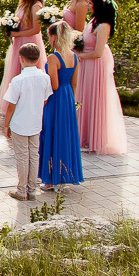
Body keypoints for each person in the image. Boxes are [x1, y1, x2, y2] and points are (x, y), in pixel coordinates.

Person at [76, 0, 129, 156]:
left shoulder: (104, 25)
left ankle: (94, 138)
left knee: (93, 97)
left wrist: (79, 56)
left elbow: (98, 53)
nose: (88, 5)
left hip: (95, 65)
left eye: (91, 3)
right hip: (87, 63)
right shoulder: (94, 21)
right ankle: (83, 135)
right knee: (84, 97)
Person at [39, 20, 85, 191]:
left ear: (54, 37)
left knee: (51, 134)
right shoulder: (74, 56)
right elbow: (74, 83)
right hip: (68, 98)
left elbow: (55, 85)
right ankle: (63, 177)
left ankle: (51, 180)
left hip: (55, 99)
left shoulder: (53, 58)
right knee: (65, 135)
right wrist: (71, 101)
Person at [1, 43, 51, 201]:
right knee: (34, 155)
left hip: (19, 123)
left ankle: (22, 190)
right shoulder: (45, 78)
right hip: (35, 123)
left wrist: (6, 124)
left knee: (22, 157)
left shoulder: (18, 80)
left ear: (21, 59)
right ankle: (32, 190)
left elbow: (11, 106)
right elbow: (45, 100)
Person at [0, 0, 46, 104]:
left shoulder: (36, 6)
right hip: (18, 42)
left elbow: (36, 29)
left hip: (29, 42)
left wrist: (17, 34)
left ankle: (28, 103)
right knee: (15, 72)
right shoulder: (24, 4)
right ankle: (15, 104)